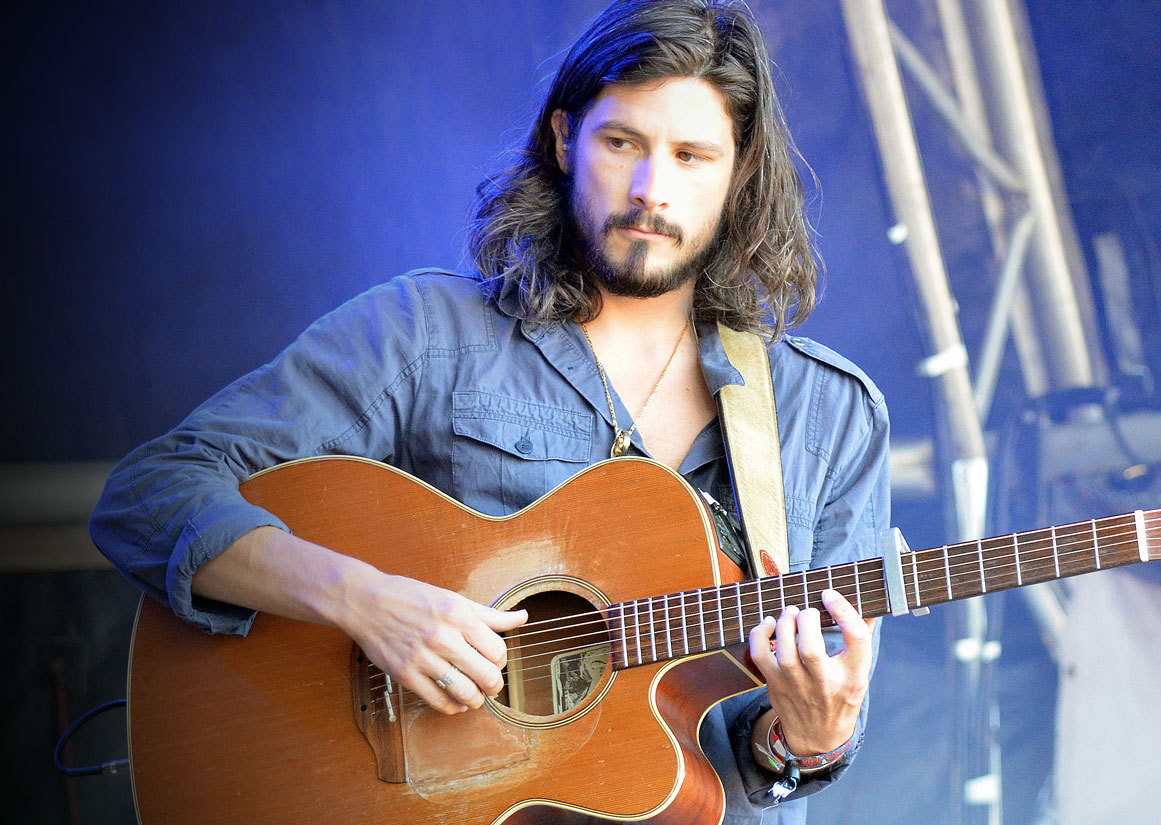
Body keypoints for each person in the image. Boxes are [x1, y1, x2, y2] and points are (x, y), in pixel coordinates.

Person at [87, 1, 889, 821]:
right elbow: (151, 493)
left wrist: (810, 738)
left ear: (739, 171)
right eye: (622, 143)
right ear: (564, 139)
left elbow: (777, 744)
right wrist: (366, 601)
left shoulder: (829, 414)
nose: (650, 190)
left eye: (690, 156)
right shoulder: (426, 336)